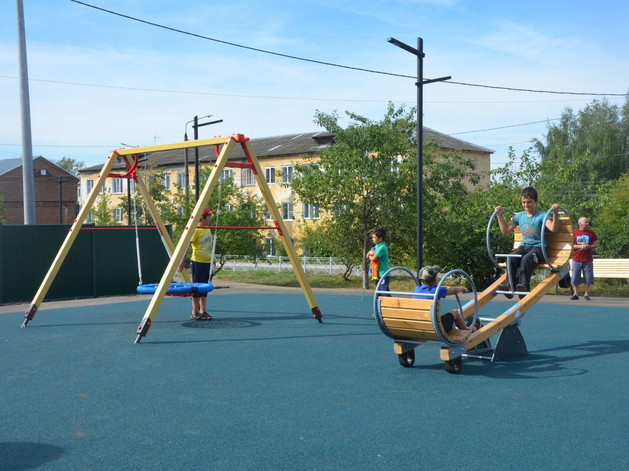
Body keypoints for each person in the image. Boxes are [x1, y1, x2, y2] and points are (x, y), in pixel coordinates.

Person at [495, 187, 560, 299]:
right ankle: (510, 286)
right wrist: (499, 215)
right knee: (511, 258)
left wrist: (555, 213)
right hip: (524, 247)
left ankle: (524, 287)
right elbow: (505, 230)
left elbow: (553, 229)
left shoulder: (541, 216)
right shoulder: (519, 216)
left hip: (538, 249)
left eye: (529, 202)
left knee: (526, 259)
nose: (526, 205)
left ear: (536, 202)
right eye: (524, 202)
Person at [413, 266, 478, 333]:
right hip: (436, 328)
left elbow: (434, 288)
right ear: (435, 279)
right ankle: (467, 331)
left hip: (421, 325)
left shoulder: (417, 288)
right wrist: (462, 289)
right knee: (455, 312)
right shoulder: (438, 291)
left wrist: (445, 287)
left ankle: (458, 327)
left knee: (447, 318)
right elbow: (454, 290)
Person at [180, 208, 214, 320]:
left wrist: (212, 259)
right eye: (208, 217)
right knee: (197, 288)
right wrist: (182, 263)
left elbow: (209, 246)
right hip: (198, 262)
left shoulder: (207, 229)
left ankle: (203, 312)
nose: (210, 219)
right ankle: (194, 312)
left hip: (207, 262)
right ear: (202, 218)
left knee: (205, 288)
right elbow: (187, 246)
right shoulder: (196, 230)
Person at [571, 216, 598, 301]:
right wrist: (580, 246)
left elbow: (595, 245)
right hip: (577, 258)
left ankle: (586, 294)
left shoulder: (591, 233)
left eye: (587, 222)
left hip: (587, 259)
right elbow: (571, 246)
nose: (587, 224)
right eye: (585, 222)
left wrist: (588, 246)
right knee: (575, 276)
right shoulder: (574, 233)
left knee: (588, 277)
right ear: (580, 223)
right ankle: (576, 293)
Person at [367, 227, 390, 294]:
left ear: (380, 238)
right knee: (378, 293)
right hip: (377, 274)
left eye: (374, 237)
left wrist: (370, 255)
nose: (372, 239)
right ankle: (379, 304)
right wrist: (369, 253)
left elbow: (374, 259)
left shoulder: (382, 247)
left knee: (384, 293)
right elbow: (367, 255)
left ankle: (390, 304)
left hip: (383, 274)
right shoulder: (375, 247)